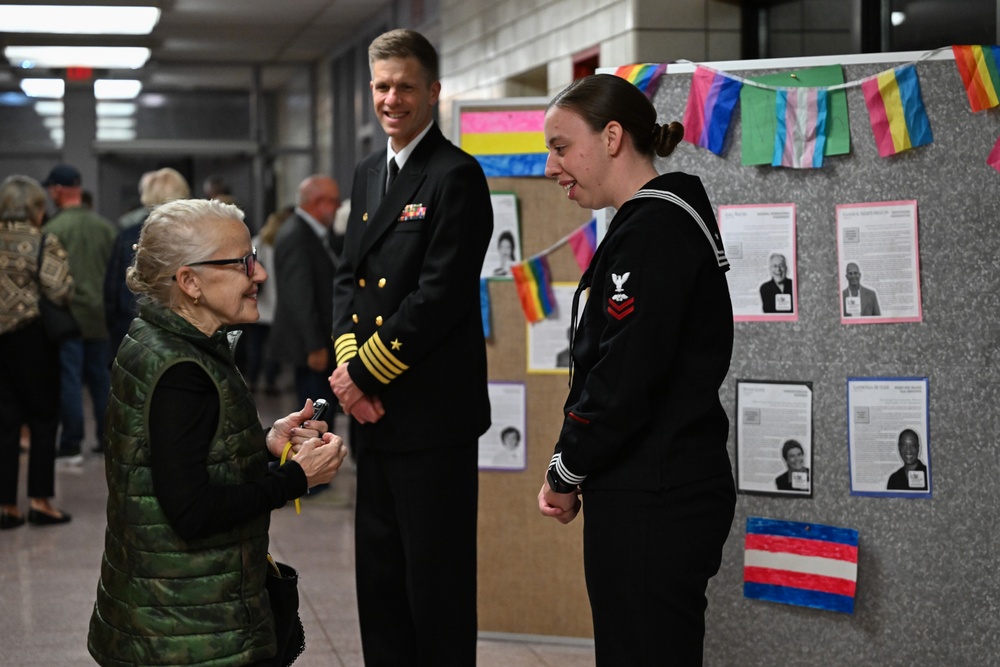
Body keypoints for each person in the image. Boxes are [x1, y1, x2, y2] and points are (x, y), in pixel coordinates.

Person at [86, 198, 348, 666]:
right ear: (189, 282)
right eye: (243, 262)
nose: (259, 275)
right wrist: (297, 478)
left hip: (166, 613)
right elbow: (192, 510)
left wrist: (263, 440)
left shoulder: (157, 339)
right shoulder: (182, 370)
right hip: (189, 629)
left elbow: (173, 455)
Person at [537, 74, 736, 666]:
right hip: (654, 482)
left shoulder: (652, 231)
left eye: (561, 146)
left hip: (655, 493)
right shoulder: (656, 220)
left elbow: (622, 377)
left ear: (613, 137)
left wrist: (565, 468)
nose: (552, 167)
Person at [329, 28, 493, 666]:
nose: (390, 98)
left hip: (430, 417)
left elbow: (439, 297)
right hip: (373, 415)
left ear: (433, 92)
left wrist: (362, 376)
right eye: (380, 86)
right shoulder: (370, 172)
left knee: (437, 586)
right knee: (382, 582)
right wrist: (349, 373)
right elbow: (348, 279)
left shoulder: (456, 176)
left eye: (403, 85)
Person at [0, 175, 75, 528]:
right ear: (35, 208)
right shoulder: (43, 240)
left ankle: (6, 507)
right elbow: (59, 291)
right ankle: (40, 502)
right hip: (32, 339)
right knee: (44, 419)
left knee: (4, 423)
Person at [42, 164, 116, 459]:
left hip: (66, 317)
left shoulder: (51, 231)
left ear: (58, 191)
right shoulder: (106, 229)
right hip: (99, 317)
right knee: (101, 380)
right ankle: (105, 439)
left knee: (69, 380)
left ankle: (71, 442)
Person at [268, 176, 341, 408]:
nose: (338, 207)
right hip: (310, 346)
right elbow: (300, 295)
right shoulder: (297, 236)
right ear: (318, 202)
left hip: (317, 341)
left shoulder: (311, 233)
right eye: (334, 201)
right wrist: (314, 345)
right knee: (316, 415)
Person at [104, 167, 191, 358]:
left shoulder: (128, 235)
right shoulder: (196, 236)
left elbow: (111, 291)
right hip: (184, 329)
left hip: (133, 327)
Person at [245, 205, 293, 395]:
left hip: (259, 304)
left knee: (255, 347)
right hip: (277, 307)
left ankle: (252, 379)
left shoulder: (258, 243)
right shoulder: (284, 244)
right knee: (273, 350)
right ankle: (270, 381)